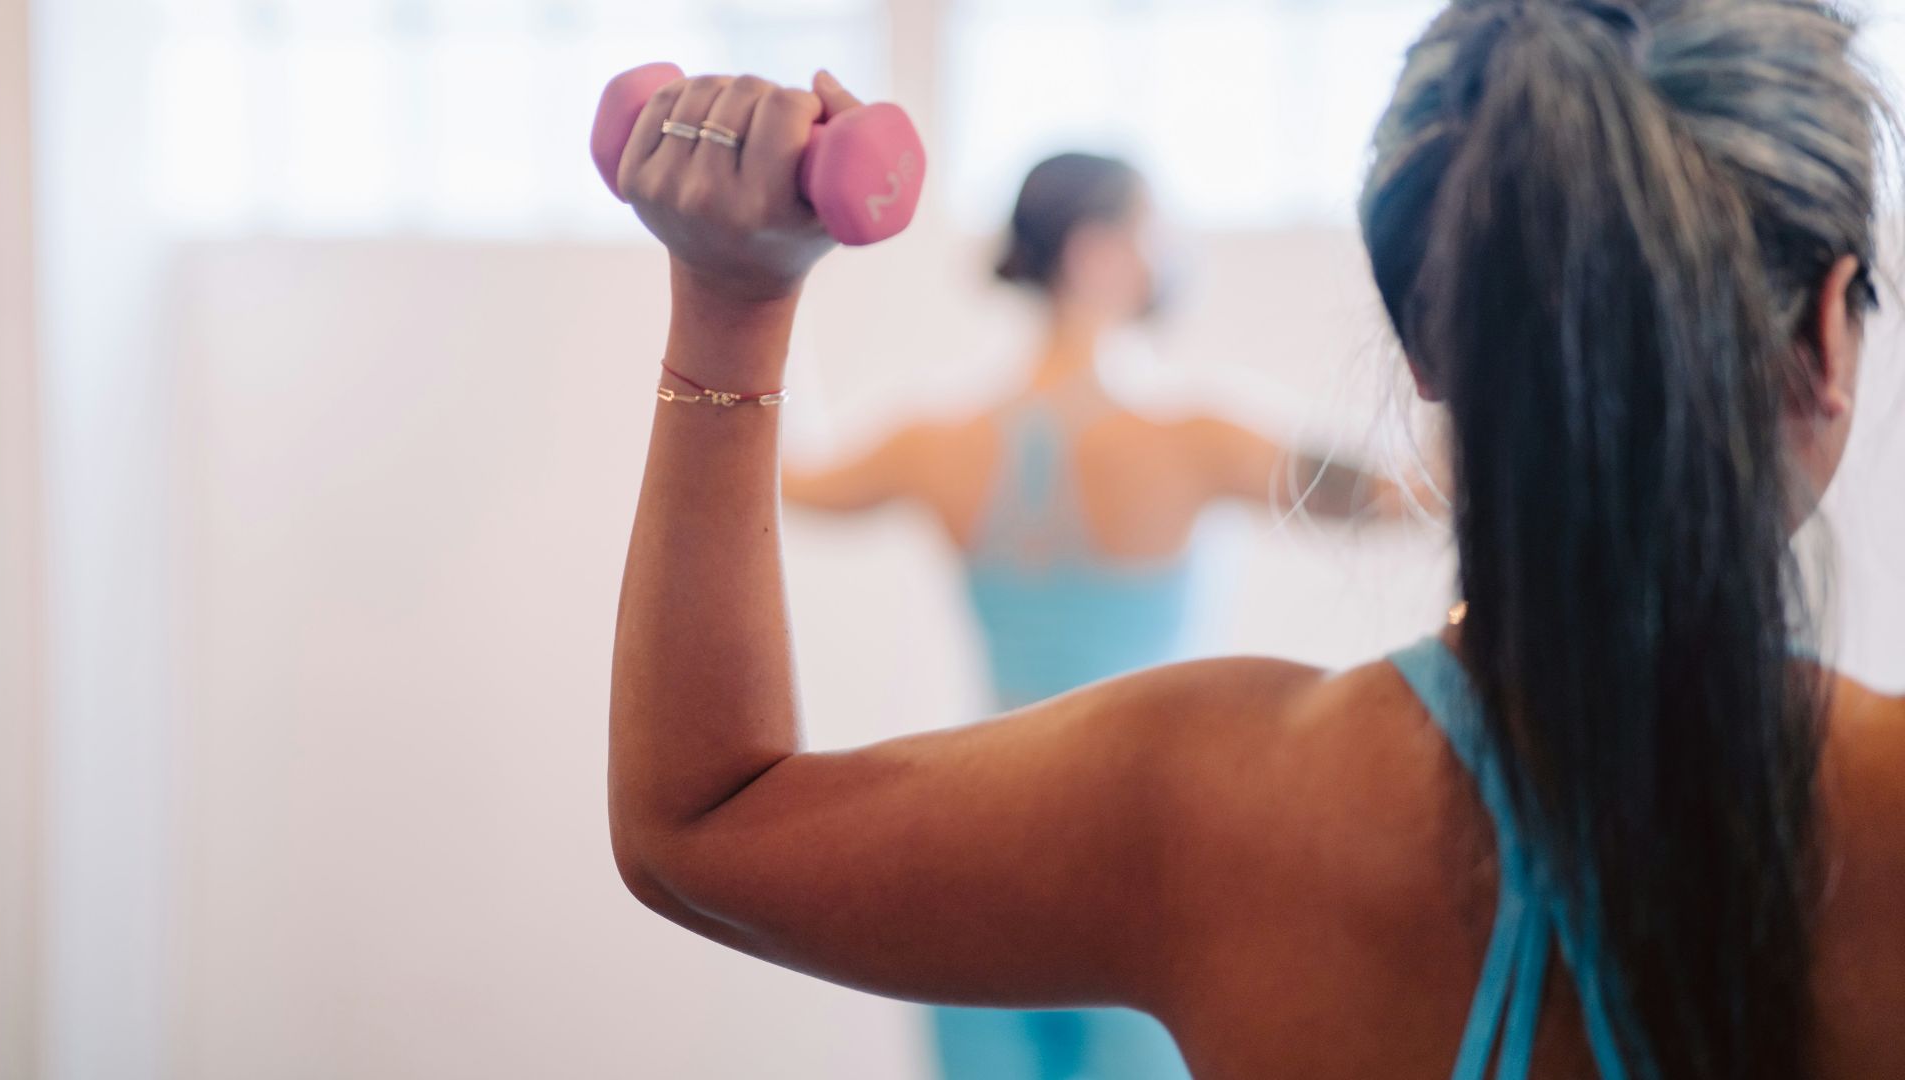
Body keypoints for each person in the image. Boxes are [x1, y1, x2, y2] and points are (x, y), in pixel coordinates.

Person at [603, 2, 1905, 1076]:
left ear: (1426, 339)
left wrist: (738, 293)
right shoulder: (1202, 441)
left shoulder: (1189, 802)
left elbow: (703, 820)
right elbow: (1398, 490)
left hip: (1018, 857)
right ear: (1830, 328)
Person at [782, 151, 1400, 1080]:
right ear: (1100, 252)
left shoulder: (935, 442)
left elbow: (792, 476)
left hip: (975, 844)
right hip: (1143, 860)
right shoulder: (1193, 439)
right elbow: (1408, 496)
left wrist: (769, 274)